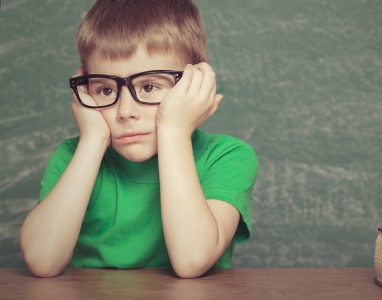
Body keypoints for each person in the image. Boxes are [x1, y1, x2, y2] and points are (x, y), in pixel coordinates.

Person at [20, 0, 258, 279]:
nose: (126, 112)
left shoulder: (227, 156)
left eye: (148, 86)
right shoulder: (74, 156)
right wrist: (93, 138)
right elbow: (42, 261)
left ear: (193, 84)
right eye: (106, 90)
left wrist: (174, 131)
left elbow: (192, 260)